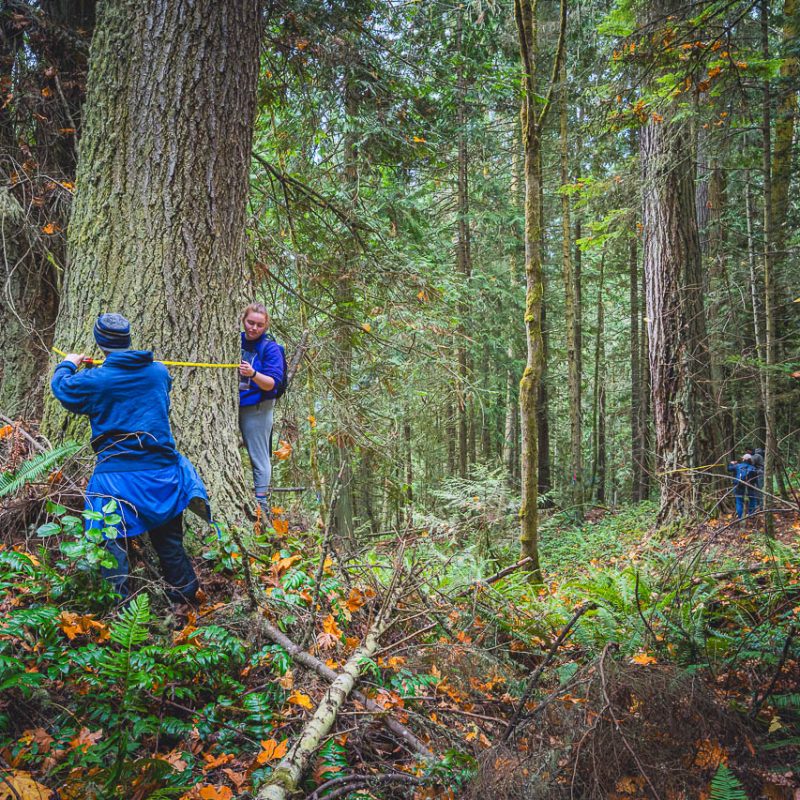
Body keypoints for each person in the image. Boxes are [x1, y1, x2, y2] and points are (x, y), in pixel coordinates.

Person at [51, 313, 210, 606]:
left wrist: (68, 363)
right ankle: (185, 598)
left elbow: (62, 387)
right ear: (128, 339)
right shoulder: (158, 372)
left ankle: (119, 607)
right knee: (169, 543)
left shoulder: (95, 380)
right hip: (163, 475)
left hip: (116, 477)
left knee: (109, 541)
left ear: (100, 343)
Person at [238, 303, 285, 515]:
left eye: (259, 325)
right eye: (250, 322)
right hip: (236, 404)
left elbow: (272, 383)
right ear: (243, 320)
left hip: (257, 408)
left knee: (259, 456)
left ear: (266, 326)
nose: (254, 328)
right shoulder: (236, 340)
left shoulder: (270, 348)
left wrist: (253, 374)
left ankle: (261, 506)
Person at [727, 453, 759, 519]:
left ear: (744, 459)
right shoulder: (753, 468)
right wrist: (757, 487)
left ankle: (740, 517)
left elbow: (729, 469)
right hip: (750, 486)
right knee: (752, 500)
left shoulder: (738, 466)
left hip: (739, 486)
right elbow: (756, 479)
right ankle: (751, 515)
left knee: (739, 502)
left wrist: (731, 463)